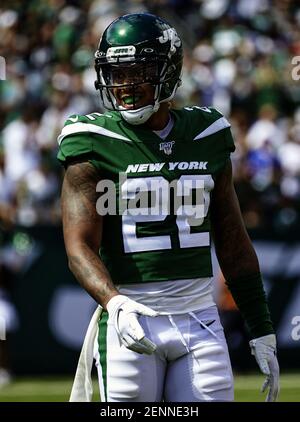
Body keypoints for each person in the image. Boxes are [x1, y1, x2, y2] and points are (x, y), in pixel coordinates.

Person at [57, 13, 279, 402]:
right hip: (131, 317)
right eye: (117, 73)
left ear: (169, 70)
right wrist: (115, 302)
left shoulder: (207, 134)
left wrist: (260, 325)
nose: (125, 85)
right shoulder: (92, 139)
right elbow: (78, 247)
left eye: (138, 71)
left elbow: (232, 239)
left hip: (200, 318)